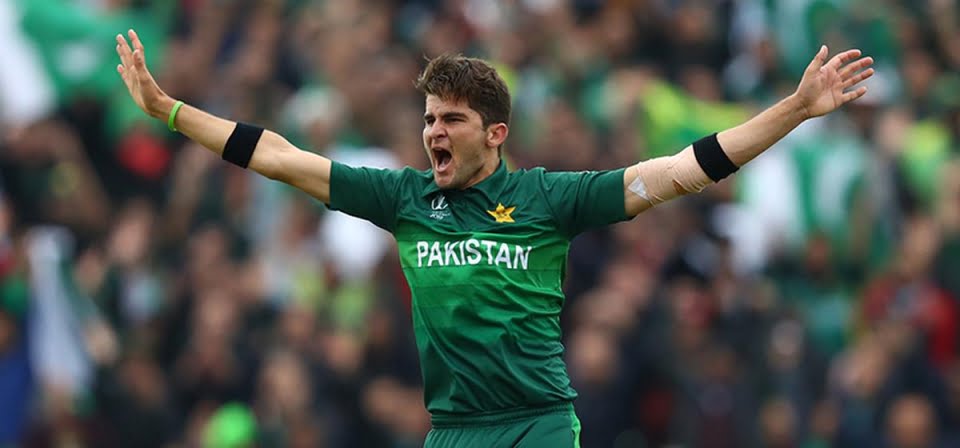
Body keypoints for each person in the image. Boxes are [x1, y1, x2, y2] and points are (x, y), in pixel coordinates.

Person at [115, 28, 873, 447]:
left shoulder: (549, 199)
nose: (433, 133)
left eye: (451, 120)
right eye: (428, 120)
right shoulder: (404, 199)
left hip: (537, 424)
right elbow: (279, 156)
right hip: (451, 432)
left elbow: (681, 171)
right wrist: (168, 109)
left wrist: (794, 109)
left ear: (495, 133)